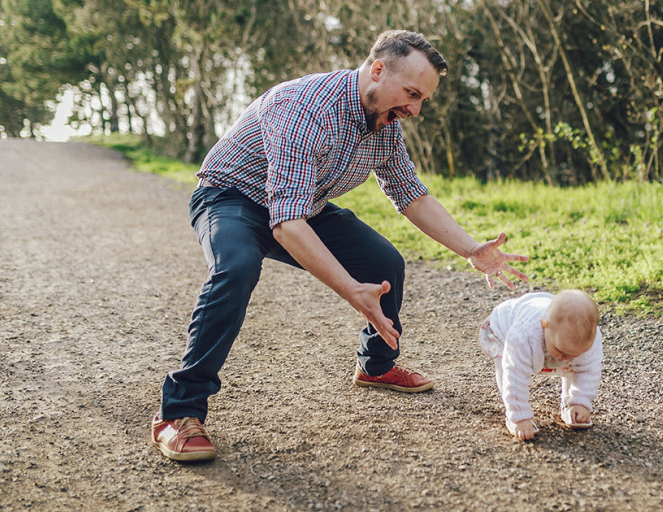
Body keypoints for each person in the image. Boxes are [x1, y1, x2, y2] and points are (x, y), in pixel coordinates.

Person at [151, 29, 528, 462]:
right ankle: (177, 412)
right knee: (236, 268)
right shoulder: (302, 108)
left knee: (384, 262)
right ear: (378, 70)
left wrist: (470, 249)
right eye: (411, 93)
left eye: (423, 98)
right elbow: (286, 225)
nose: (416, 108)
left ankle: (376, 366)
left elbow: (410, 194)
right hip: (231, 198)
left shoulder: (384, 122)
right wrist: (352, 290)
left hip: (301, 205)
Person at [478, 290, 602, 441]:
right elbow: (515, 375)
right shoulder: (523, 335)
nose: (566, 358)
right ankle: (512, 415)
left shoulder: (589, 338)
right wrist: (520, 417)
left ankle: (570, 404)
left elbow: (589, 370)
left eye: (575, 353)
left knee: (576, 365)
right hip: (504, 328)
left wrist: (581, 402)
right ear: (544, 326)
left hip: (542, 322)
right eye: (561, 351)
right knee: (506, 367)